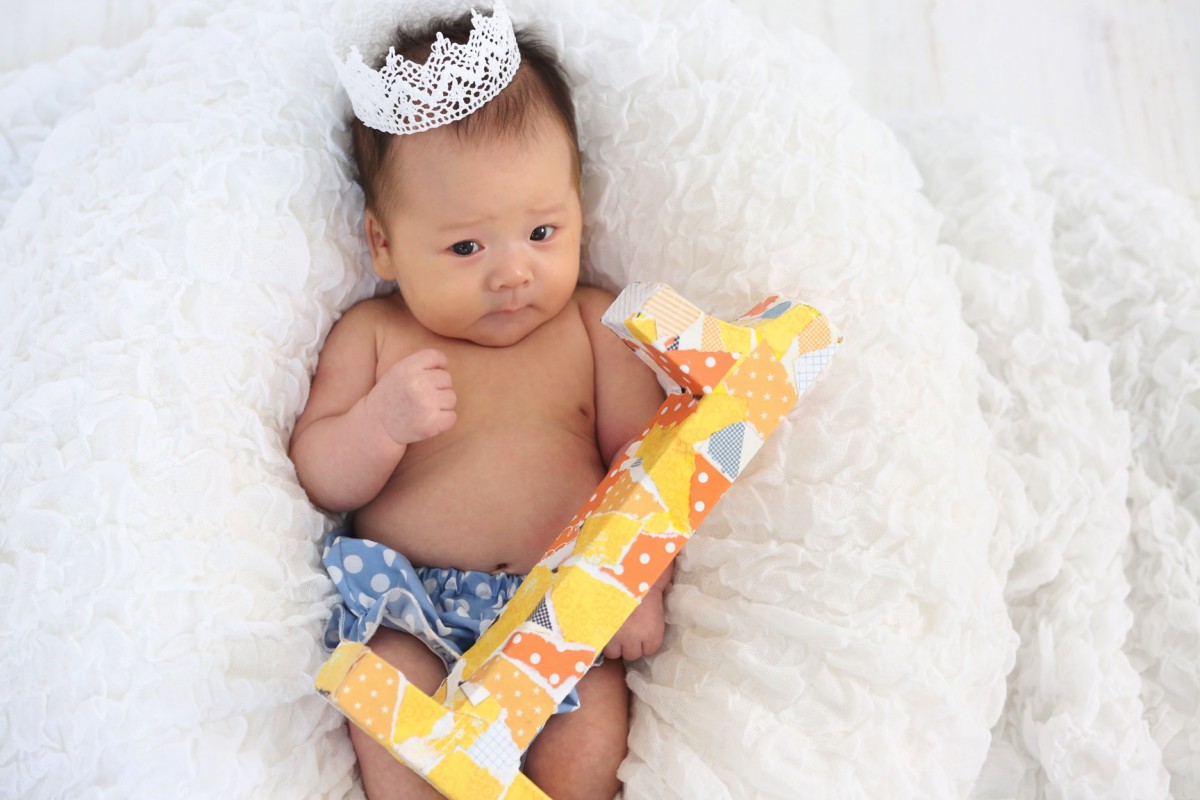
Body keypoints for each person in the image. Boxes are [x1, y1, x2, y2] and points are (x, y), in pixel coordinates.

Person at [289, 4, 668, 798]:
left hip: (560, 610)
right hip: (412, 612)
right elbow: (321, 478)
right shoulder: (375, 336)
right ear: (384, 244)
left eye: (542, 233)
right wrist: (380, 423)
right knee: (389, 698)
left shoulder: (593, 328)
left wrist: (636, 584)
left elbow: (649, 473)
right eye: (466, 246)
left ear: (578, 207)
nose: (512, 273)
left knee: (589, 736)